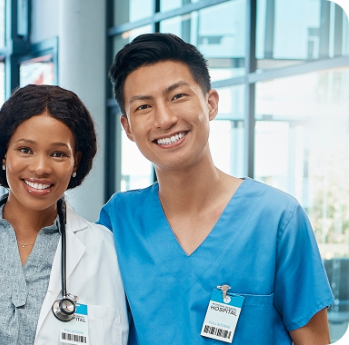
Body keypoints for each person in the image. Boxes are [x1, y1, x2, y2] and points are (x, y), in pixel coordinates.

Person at [101, 33, 333, 344]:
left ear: (210, 104)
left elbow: (314, 340)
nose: (165, 119)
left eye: (178, 96)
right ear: (128, 128)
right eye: (143, 106)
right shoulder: (119, 220)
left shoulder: (277, 218)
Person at [0, 84, 128, 344]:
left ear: (76, 162)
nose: (41, 168)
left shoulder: (107, 250)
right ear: (4, 153)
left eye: (58, 154)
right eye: (25, 150)